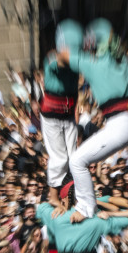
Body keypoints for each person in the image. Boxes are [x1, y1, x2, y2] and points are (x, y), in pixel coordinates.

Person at [55, 19, 128, 220]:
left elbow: (65, 52)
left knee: (77, 161)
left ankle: (86, 208)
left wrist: (70, 40)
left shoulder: (92, 64)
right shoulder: (124, 62)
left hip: (120, 124)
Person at [41, 20, 83, 205]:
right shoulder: (52, 57)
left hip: (68, 115)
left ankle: (72, 193)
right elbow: (60, 63)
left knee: (74, 157)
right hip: (51, 116)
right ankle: (53, 196)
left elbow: (75, 90)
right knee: (59, 158)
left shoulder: (77, 63)